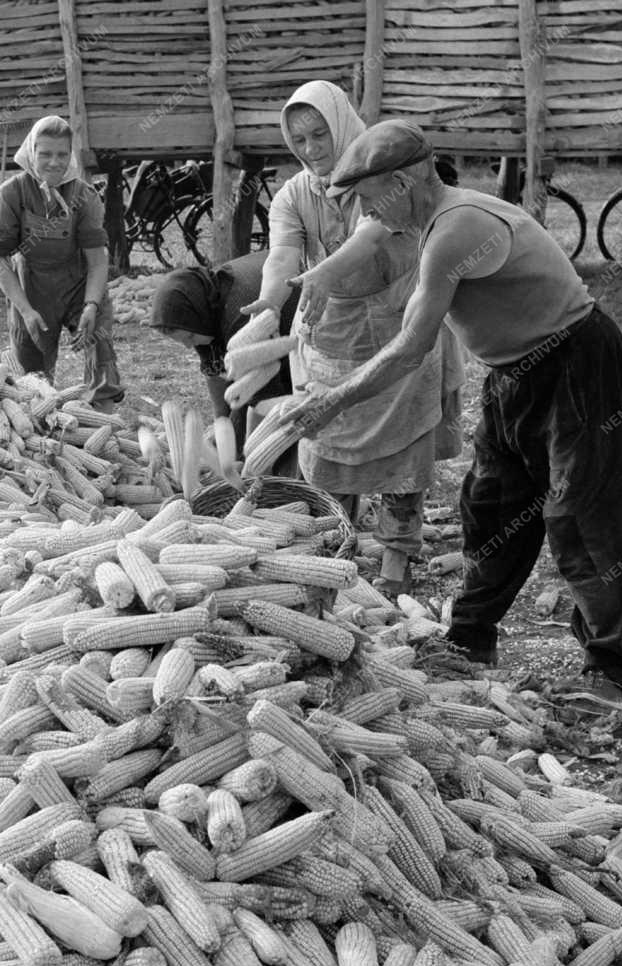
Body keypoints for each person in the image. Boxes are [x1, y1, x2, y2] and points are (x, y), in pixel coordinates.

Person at [284, 118, 622, 700]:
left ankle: (612, 664)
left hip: (574, 358)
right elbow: (370, 245)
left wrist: (335, 401)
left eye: (370, 199)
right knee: (492, 504)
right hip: (513, 370)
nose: (368, 214)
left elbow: (410, 345)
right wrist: (320, 280)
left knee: (579, 513)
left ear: (401, 184)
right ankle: (470, 638)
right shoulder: (421, 217)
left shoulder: (456, 226)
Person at [243, 81, 465, 595]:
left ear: (342, 124)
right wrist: (272, 303)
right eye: (298, 139)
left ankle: (395, 557)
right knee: (326, 442)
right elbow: (281, 254)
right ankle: (336, 543)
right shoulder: (294, 193)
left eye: (320, 134)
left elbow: (371, 235)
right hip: (332, 329)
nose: (312, 148)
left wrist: (320, 274)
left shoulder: (381, 175)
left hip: (398, 318)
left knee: (403, 450)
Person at [0, 115, 122, 412]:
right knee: (32, 383)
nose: (54, 162)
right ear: (31, 152)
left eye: (62, 154)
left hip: (79, 282)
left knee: (99, 346)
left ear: (71, 155)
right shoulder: (9, 195)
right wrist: (25, 310)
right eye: (45, 154)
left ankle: (103, 417)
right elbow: (0, 258)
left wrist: (91, 306)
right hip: (32, 287)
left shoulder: (84, 195)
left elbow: (98, 261)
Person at [148, 250, 301, 454]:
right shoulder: (204, 301)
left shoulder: (240, 316)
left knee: (273, 411)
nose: (188, 346)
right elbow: (214, 368)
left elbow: (259, 398)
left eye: (190, 339)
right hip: (270, 324)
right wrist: (221, 421)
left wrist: (240, 453)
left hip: (302, 316)